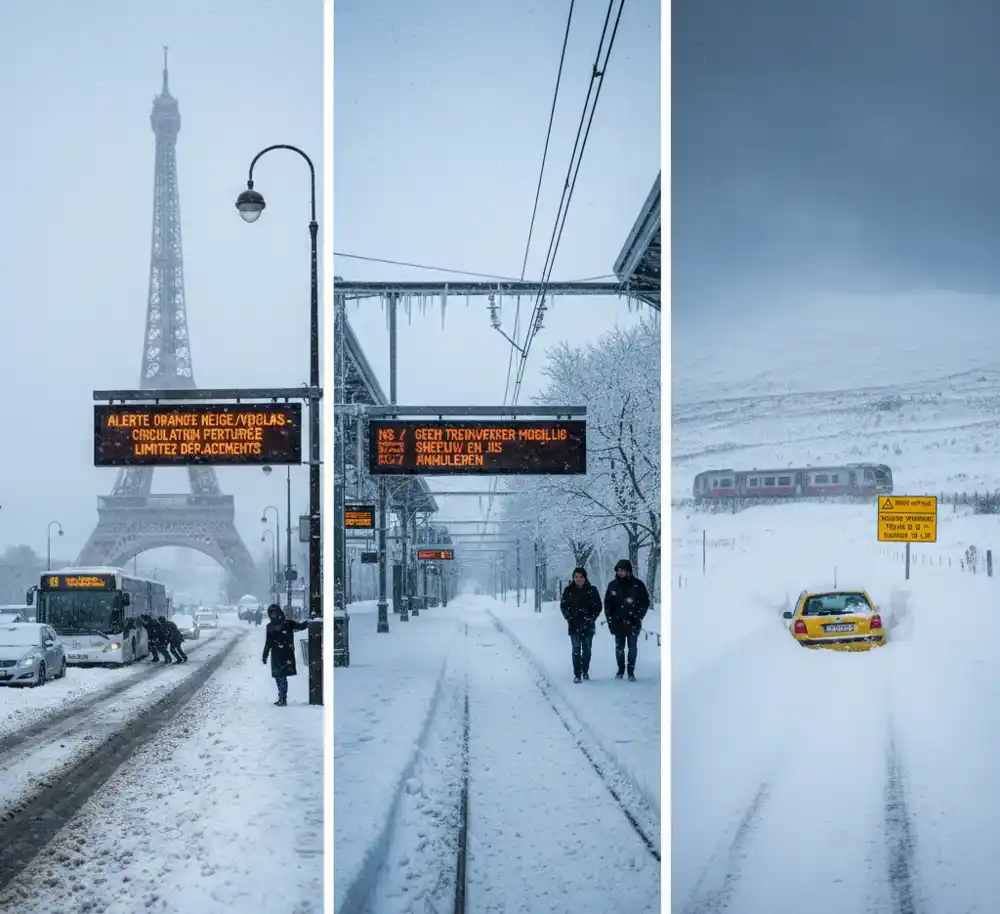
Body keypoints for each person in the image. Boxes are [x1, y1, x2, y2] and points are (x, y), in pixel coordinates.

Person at [604, 559, 651, 681]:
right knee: (619, 648)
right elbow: (607, 605)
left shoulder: (637, 585)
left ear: (628, 571)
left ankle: (631, 671)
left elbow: (645, 602)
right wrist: (610, 620)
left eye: (622, 570)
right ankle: (620, 670)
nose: (620, 573)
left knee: (632, 647)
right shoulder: (612, 585)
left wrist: (637, 615)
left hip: (633, 623)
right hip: (617, 622)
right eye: (618, 570)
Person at [560, 566, 603, 683]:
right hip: (574, 625)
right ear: (573, 578)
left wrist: (591, 618)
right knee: (576, 649)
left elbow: (598, 606)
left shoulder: (592, 590)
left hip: (588, 625)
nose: (578, 579)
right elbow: (563, 605)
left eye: (581, 577)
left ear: (585, 578)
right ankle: (577, 674)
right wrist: (569, 617)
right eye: (576, 577)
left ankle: (585, 671)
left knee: (587, 650)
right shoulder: (568, 590)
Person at [262, 603, 309, 706]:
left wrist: (310, 622)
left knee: (282, 676)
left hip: (286, 653)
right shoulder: (270, 627)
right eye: (271, 614)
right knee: (278, 676)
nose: (273, 615)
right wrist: (265, 655)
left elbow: (300, 626)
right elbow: (268, 642)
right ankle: (282, 697)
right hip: (276, 654)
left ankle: (283, 698)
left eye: (275, 613)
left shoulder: (288, 624)